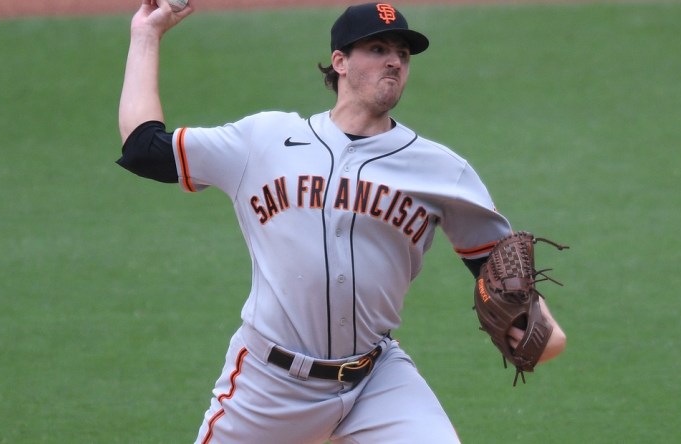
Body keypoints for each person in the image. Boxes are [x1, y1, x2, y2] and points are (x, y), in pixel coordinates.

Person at [117, 1, 566, 443]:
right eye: (377, 49)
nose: (394, 60)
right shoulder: (264, 140)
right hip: (268, 384)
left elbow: (498, 264)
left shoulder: (441, 170)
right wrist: (146, 35)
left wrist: (535, 322)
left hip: (375, 380)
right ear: (340, 62)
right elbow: (144, 149)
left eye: (403, 54)